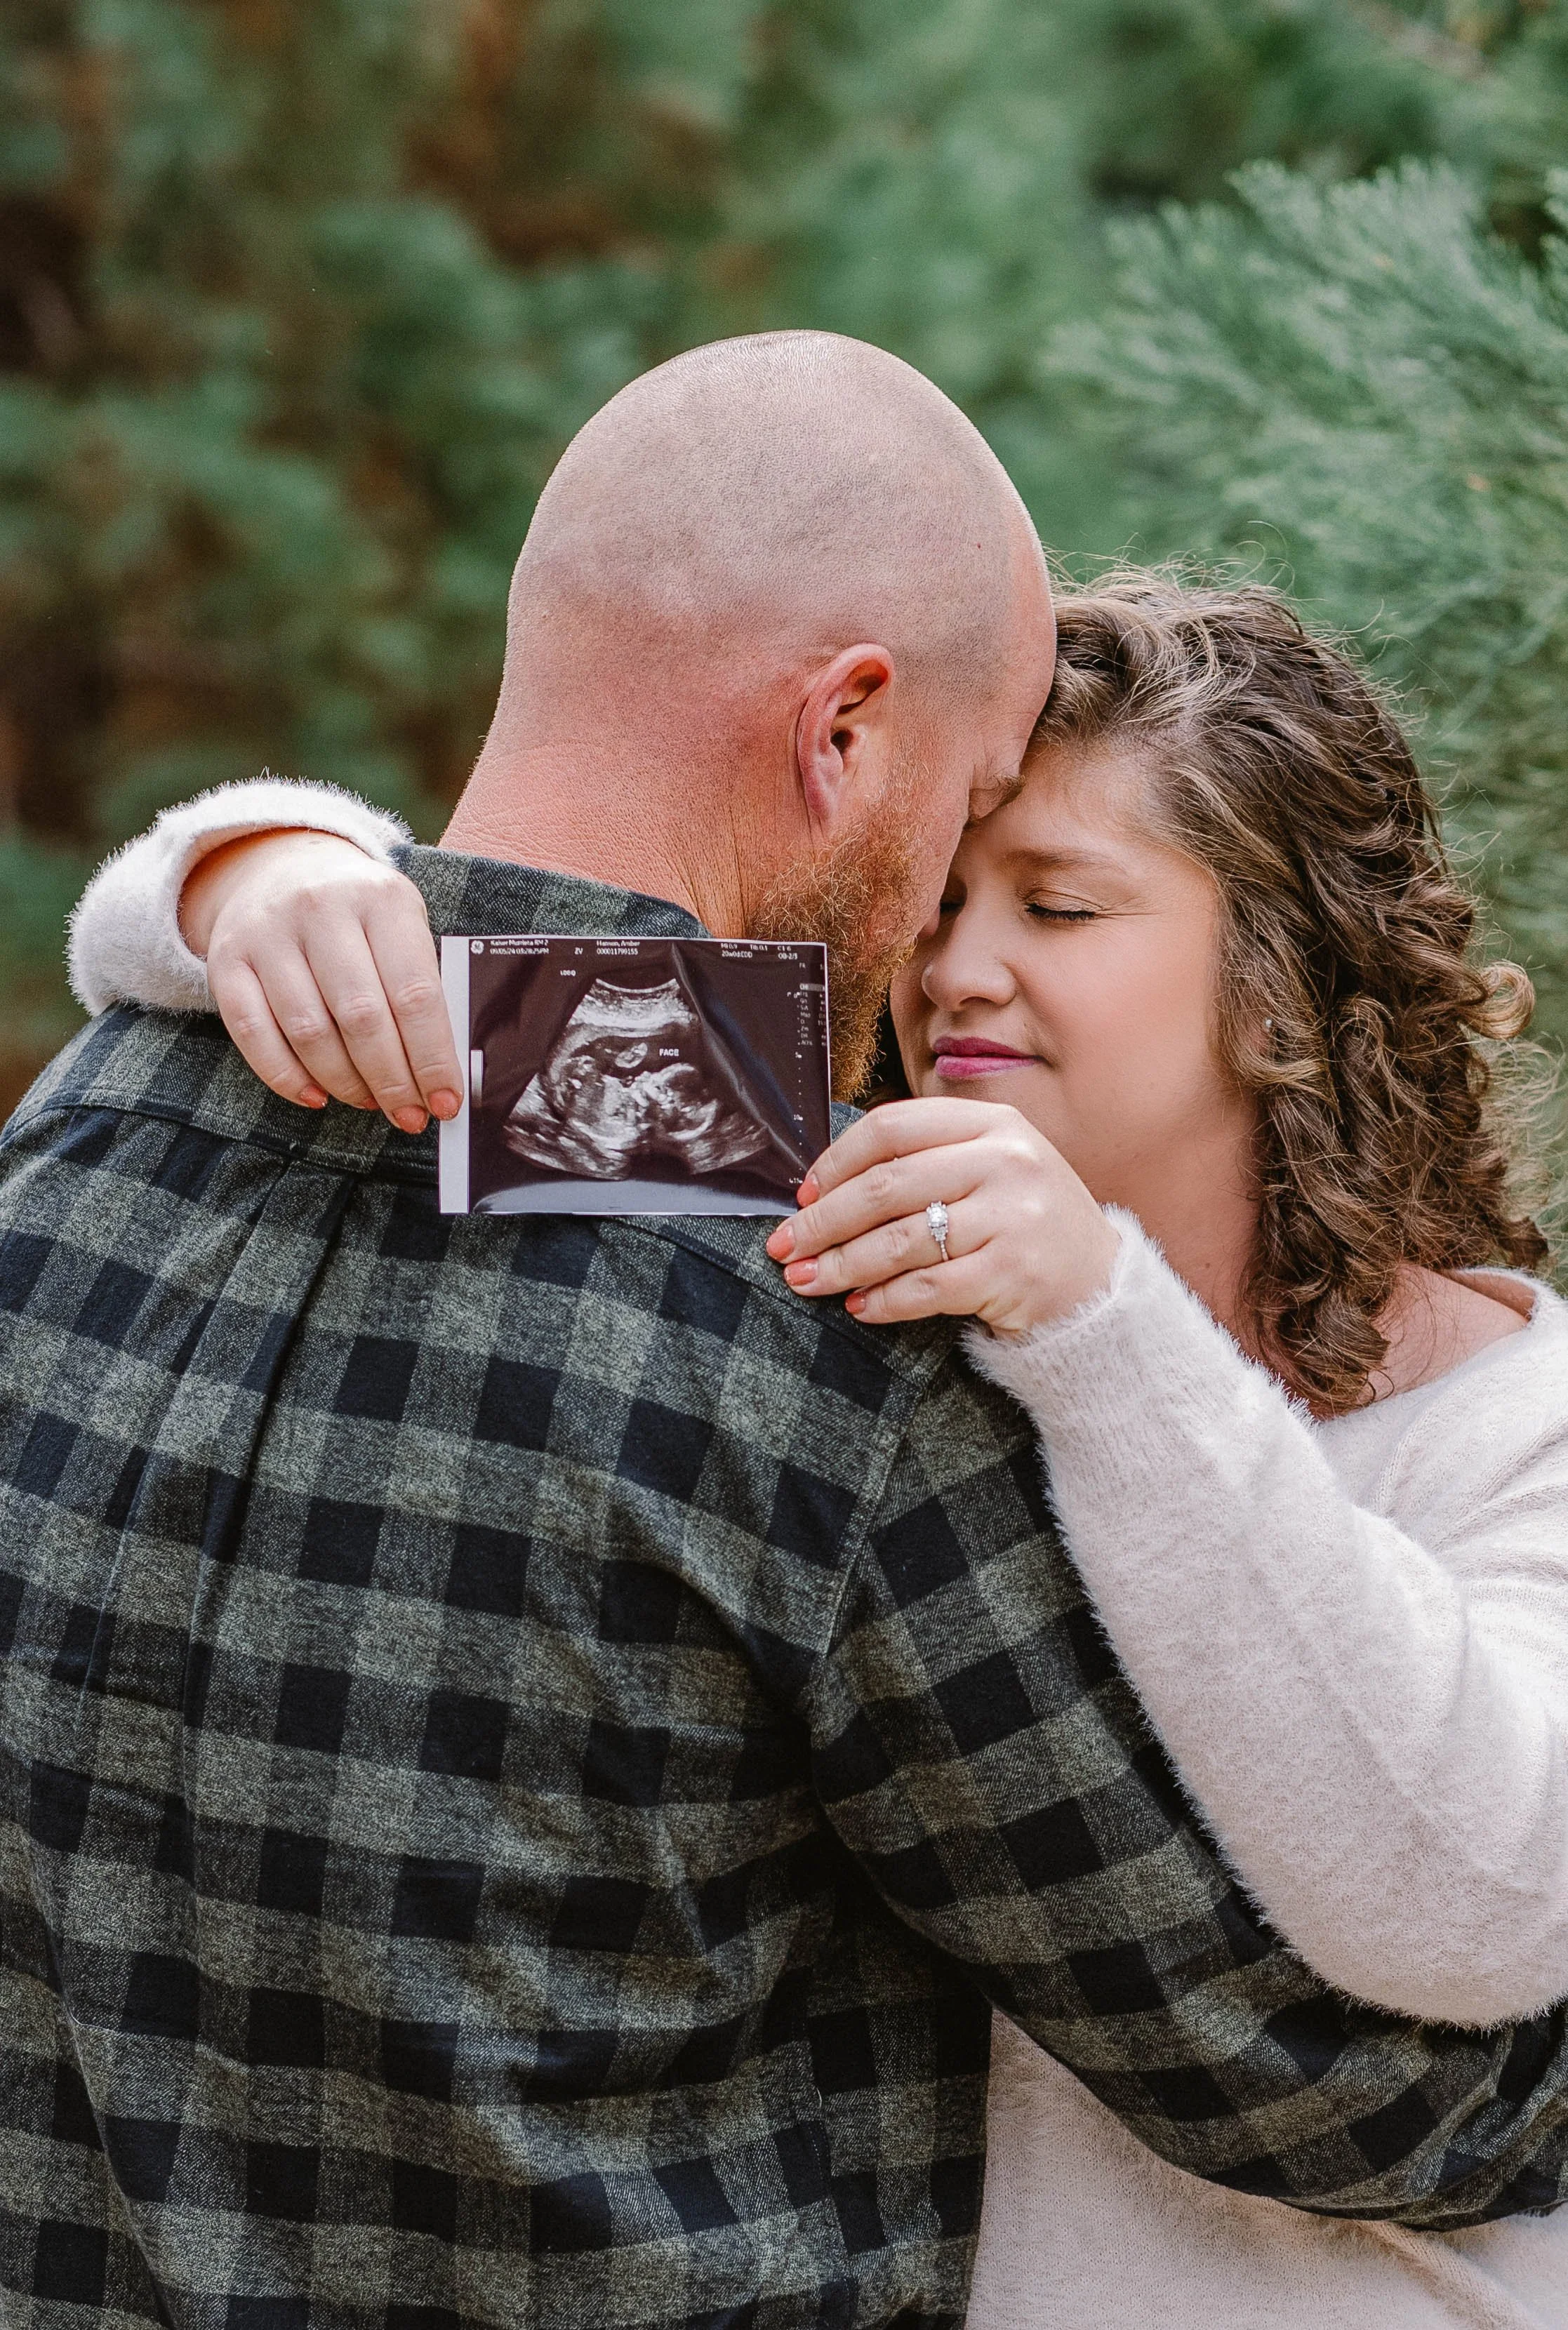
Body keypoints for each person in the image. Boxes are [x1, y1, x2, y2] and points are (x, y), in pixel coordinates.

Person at [8, 350, 1568, 2330]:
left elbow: (470, 1021)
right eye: (968, 806)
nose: (940, 934)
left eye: (1055, 885)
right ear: (845, 733)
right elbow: (1311, 2075)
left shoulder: (91, 1125)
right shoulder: (834, 1284)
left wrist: (250, 866)